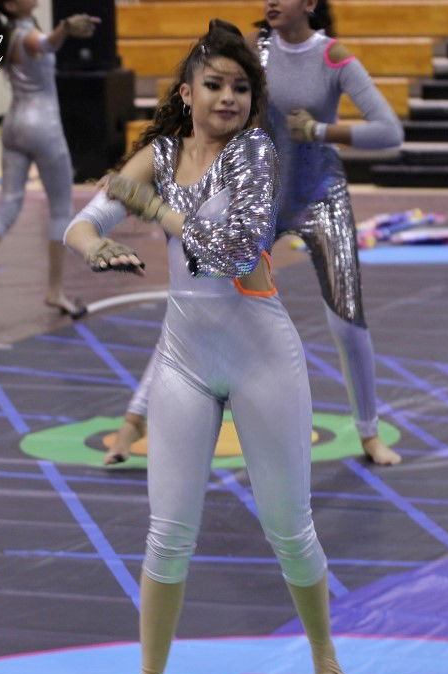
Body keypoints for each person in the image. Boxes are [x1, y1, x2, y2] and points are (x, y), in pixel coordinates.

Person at [63, 20, 348, 674]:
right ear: (187, 93)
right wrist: (94, 245)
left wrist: (157, 211)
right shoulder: (160, 155)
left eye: (241, 87)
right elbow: (86, 218)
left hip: (260, 356)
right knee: (167, 534)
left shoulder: (255, 153)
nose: (228, 97)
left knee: (289, 528)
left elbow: (235, 253)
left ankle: (327, 663)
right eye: (214, 84)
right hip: (184, 360)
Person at [104, 0, 405, 467]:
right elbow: (203, 103)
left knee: (347, 319)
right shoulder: (254, 49)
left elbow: (390, 132)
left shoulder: (333, 57)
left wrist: (321, 131)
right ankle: (133, 420)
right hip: (260, 196)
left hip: (320, 196)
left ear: (309, 4)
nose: (271, 2)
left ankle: (369, 433)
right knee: (200, 300)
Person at [0, 0, 99, 323]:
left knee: (7, 206)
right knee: (61, 209)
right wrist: (64, 28)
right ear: (10, 5)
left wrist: (60, 31)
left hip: (14, 126)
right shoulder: (24, 35)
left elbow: (42, 42)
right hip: (42, 128)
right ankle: (55, 291)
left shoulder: (9, 33)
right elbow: (45, 43)